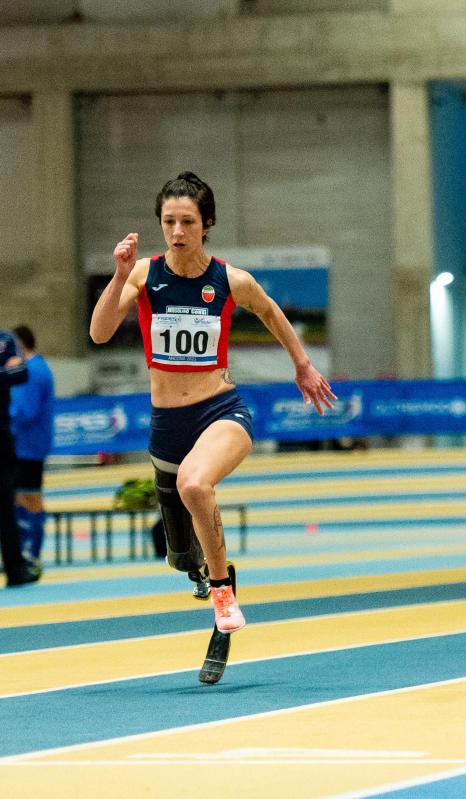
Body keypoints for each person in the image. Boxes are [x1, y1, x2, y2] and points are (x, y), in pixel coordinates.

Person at [90, 172, 337, 631]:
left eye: (187, 221)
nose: (177, 232)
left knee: (195, 484)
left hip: (220, 411)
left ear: (207, 224)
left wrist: (302, 365)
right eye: (169, 222)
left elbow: (269, 310)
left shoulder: (229, 279)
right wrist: (119, 276)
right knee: (180, 554)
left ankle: (223, 594)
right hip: (167, 423)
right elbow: (99, 332)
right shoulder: (144, 274)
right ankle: (201, 568)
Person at [9, 325, 54, 579]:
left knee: (29, 499)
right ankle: (27, 552)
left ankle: (31, 554)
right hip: (28, 445)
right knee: (22, 499)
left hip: (27, 446)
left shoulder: (32, 371)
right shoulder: (35, 368)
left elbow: (25, 411)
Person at [1, 328, 37, 587]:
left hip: (0, 437)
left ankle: (16, 568)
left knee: (5, 504)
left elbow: (21, 373)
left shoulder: (4, 340)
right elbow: (10, 373)